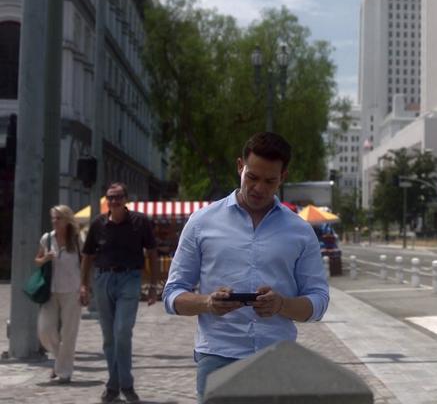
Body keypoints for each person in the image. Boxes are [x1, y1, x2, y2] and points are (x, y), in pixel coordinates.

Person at [163, 132, 330, 402]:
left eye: (270, 181)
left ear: (283, 177)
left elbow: (319, 301)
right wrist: (207, 302)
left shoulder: (300, 231)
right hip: (217, 356)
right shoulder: (201, 222)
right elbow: (172, 295)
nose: (259, 188)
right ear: (240, 166)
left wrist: (281, 305)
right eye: (252, 177)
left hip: (278, 358)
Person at [80, 182, 158, 403]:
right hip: (103, 279)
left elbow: (152, 252)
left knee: (122, 331)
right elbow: (87, 256)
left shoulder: (140, 222)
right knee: (108, 337)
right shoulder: (98, 223)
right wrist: (84, 285)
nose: (114, 201)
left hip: (129, 279)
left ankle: (126, 384)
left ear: (125, 200)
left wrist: (153, 285)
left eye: (118, 197)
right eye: (110, 198)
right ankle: (114, 385)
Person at [35, 205, 82, 384]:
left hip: (72, 290)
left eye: (58, 218)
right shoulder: (47, 239)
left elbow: (86, 263)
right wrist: (45, 258)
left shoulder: (77, 240)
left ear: (67, 220)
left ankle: (64, 372)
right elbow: (37, 261)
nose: (55, 221)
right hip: (51, 290)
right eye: (53, 218)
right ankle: (59, 361)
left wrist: (86, 286)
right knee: (45, 330)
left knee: (68, 333)